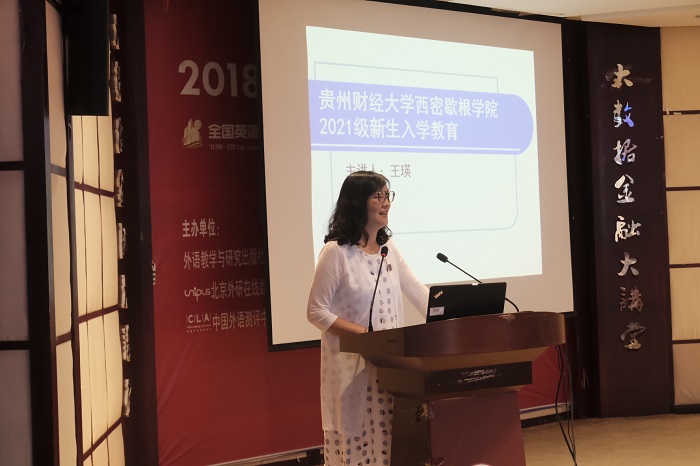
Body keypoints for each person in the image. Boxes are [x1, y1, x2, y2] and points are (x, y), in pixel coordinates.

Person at [307, 171, 428, 466]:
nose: (386, 203)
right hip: (353, 372)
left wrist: (453, 314)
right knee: (359, 450)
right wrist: (366, 336)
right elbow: (316, 311)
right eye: (378, 196)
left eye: (388, 195)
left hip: (389, 369)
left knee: (391, 448)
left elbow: (421, 296)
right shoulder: (336, 252)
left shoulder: (388, 249)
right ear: (357, 202)